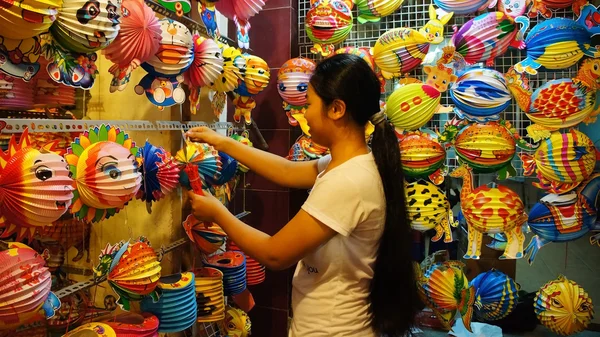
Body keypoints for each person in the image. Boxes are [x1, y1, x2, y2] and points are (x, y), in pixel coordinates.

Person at [185, 53, 420, 337]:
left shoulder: (349, 180)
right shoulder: (350, 163)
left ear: (336, 109)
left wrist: (217, 213)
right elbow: (286, 171)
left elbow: (274, 255)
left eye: (308, 105)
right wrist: (222, 142)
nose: (304, 113)